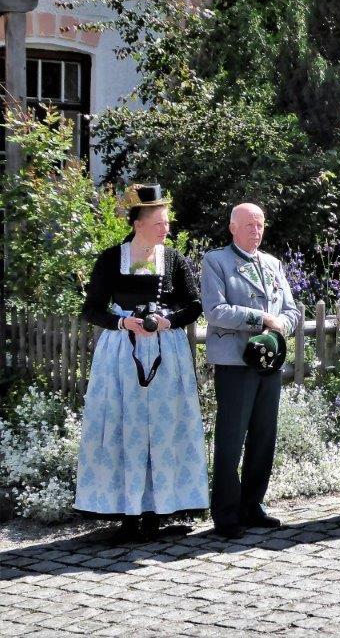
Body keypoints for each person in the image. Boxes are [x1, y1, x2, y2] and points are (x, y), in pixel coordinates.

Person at [76, 184, 208, 543]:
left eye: (167, 222)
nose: (166, 228)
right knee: (124, 426)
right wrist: (123, 323)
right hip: (122, 353)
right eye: (159, 223)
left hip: (167, 352)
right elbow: (91, 310)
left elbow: (195, 305)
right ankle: (128, 513)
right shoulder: (110, 259)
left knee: (165, 428)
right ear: (138, 223)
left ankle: (158, 510)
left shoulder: (175, 260)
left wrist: (167, 321)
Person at [201, 203, 302, 539]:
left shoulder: (272, 263)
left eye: (260, 225)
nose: (256, 231)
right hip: (235, 362)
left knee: (264, 435)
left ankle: (252, 505)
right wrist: (261, 319)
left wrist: (281, 324)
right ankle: (226, 513)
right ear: (232, 227)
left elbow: (291, 310)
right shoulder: (216, 261)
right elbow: (215, 310)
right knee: (231, 438)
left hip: (269, 360)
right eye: (249, 225)